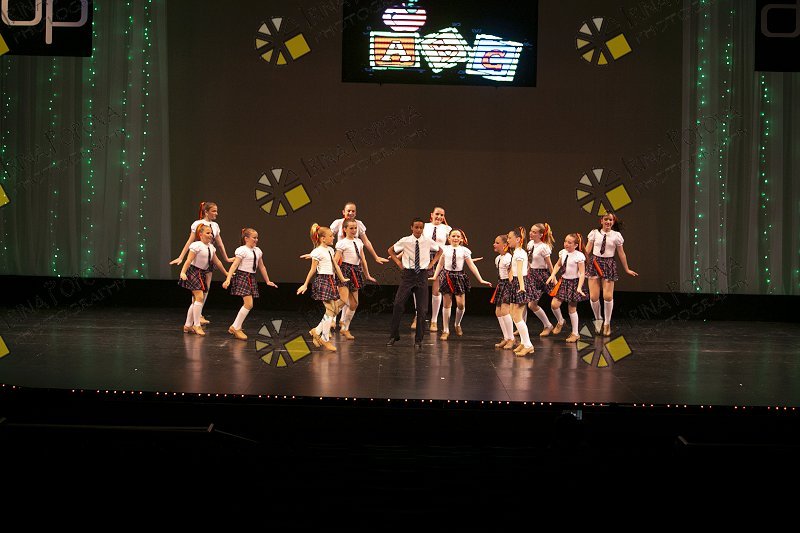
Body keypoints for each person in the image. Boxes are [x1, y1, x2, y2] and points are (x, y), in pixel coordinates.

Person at [170, 201, 234, 325]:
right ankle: (196, 317)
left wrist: (226, 258)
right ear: (206, 212)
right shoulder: (197, 224)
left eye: (216, 211)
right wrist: (181, 257)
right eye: (214, 211)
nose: (216, 213)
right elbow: (190, 241)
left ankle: (198, 314)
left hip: (209, 256)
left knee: (205, 288)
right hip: (199, 256)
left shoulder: (215, 225)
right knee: (197, 289)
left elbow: (220, 244)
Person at [387, 217, 442, 348]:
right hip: (408, 275)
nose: (418, 230)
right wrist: (398, 262)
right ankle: (393, 335)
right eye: (416, 227)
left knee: (422, 310)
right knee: (398, 304)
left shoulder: (427, 241)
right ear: (411, 227)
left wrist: (432, 264)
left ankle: (418, 340)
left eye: (421, 227)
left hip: (422, 275)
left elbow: (440, 250)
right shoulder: (405, 240)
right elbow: (390, 250)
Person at [428, 228, 491, 340]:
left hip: (459, 277)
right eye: (453, 236)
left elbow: (471, 266)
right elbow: (440, 264)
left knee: (461, 304)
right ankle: (445, 330)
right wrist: (435, 276)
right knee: (447, 304)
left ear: (461, 239)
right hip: (447, 276)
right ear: (449, 238)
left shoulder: (464, 251)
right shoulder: (445, 249)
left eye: (458, 236)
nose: (455, 238)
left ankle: (457, 324)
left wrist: (480, 279)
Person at [297, 224, 350, 352]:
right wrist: (305, 284)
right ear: (323, 239)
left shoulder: (330, 250)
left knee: (334, 310)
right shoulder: (317, 251)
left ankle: (316, 331)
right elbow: (312, 270)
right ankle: (324, 338)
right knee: (330, 310)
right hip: (323, 281)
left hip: (331, 280)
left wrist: (342, 278)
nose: (333, 238)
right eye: (331, 236)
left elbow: (335, 266)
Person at [585, 213, 638, 336]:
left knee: (608, 296)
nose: (608, 222)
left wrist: (627, 269)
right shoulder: (594, 233)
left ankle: (607, 323)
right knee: (593, 297)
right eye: (606, 219)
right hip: (594, 263)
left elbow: (621, 253)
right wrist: (579, 262)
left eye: (610, 220)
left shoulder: (616, 236)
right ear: (601, 221)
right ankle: (598, 319)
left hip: (608, 264)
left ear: (613, 222)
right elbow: (587, 250)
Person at [221, 228, 278, 340]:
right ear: (246, 238)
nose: (256, 240)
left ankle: (235, 326)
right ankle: (235, 327)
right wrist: (228, 279)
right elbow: (234, 265)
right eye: (254, 238)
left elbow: (261, 266)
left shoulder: (258, 251)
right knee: (249, 304)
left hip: (251, 277)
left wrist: (267, 281)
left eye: (257, 238)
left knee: (249, 304)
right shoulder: (242, 250)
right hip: (242, 276)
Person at [178, 224, 228, 336]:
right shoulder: (196, 245)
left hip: (202, 273)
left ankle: (187, 325)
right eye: (207, 233)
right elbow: (188, 260)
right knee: (199, 297)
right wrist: (182, 272)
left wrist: (226, 273)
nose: (210, 235)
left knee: (196, 300)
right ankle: (196, 325)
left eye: (211, 233)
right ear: (200, 234)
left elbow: (218, 262)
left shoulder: (211, 247)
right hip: (193, 272)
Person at [333, 219, 377, 340]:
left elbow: (363, 260)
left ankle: (345, 327)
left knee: (354, 304)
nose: (354, 230)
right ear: (345, 229)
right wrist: (335, 275)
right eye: (351, 228)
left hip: (356, 272)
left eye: (355, 228)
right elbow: (335, 261)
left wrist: (367, 275)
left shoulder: (359, 242)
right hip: (345, 271)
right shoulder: (342, 243)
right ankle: (328, 319)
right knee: (342, 300)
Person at [546, 233, 588, 343]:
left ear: (576, 245)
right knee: (554, 305)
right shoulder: (563, 252)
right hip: (564, 282)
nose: (566, 244)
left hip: (574, 283)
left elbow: (582, 273)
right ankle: (560, 321)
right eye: (565, 241)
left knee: (572, 309)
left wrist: (579, 287)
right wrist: (552, 275)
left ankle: (575, 333)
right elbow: (558, 264)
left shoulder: (579, 256)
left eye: (569, 242)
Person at [507, 227, 535, 356]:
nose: (508, 240)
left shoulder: (519, 253)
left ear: (518, 239)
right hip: (517, 282)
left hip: (520, 283)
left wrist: (522, 287)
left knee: (517, 315)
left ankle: (528, 345)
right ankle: (524, 342)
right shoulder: (517, 252)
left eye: (510, 238)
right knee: (513, 313)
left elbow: (519, 271)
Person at [526, 223, 557, 336]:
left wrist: (553, 276)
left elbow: (549, 264)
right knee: (525, 303)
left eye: (534, 232)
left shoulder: (543, 247)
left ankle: (549, 325)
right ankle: (522, 326)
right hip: (531, 274)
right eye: (531, 231)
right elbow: (529, 260)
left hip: (540, 276)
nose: (531, 233)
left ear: (540, 235)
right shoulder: (530, 244)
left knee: (532, 305)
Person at [490, 235, 516, 349]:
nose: (494, 244)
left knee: (505, 310)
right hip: (501, 284)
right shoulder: (498, 258)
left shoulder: (509, 258)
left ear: (504, 245)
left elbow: (511, 274)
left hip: (508, 284)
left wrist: (513, 287)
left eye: (497, 243)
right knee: (498, 312)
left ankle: (511, 338)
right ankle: (506, 337)